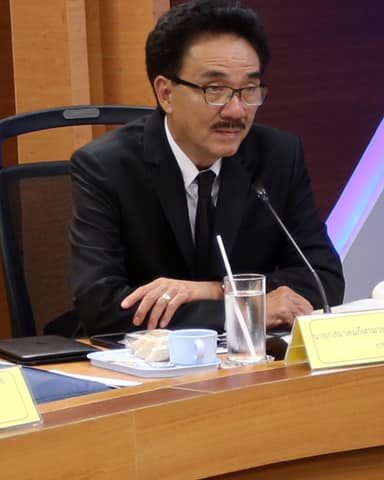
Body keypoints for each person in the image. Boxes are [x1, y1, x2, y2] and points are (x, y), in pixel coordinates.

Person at [70, 0, 344, 336]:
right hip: (142, 361)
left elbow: (324, 280)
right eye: (215, 90)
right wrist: (246, 309)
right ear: (166, 94)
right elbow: (100, 306)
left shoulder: (278, 156)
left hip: (248, 361)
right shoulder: (106, 167)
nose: (236, 111)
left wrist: (216, 290)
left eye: (249, 90)